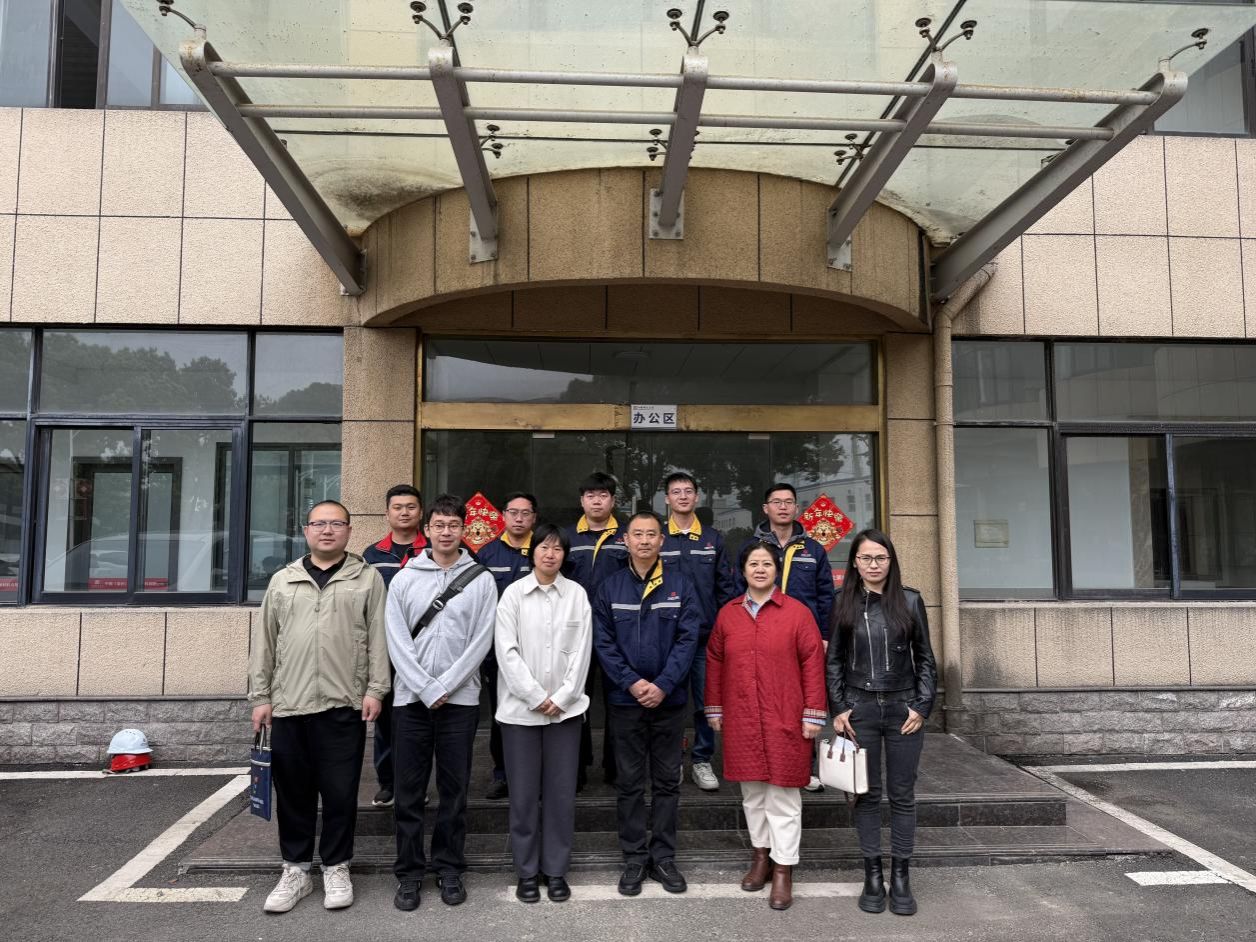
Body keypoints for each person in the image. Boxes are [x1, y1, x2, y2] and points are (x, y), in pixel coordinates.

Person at [248, 500, 389, 915]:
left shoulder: (366, 578)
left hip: (343, 703)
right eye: (319, 524)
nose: (327, 530)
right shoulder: (283, 580)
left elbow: (379, 637)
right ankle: (295, 871)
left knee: (341, 792)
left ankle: (336, 867)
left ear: (349, 531)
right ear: (306, 530)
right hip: (289, 704)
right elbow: (265, 642)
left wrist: (376, 689)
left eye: (336, 524)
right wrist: (261, 696)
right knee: (294, 793)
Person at [386, 494, 497, 912]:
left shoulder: (481, 580)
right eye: (439, 525)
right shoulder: (404, 578)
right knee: (409, 791)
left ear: (463, 530)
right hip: (410, 701)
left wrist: (446, 685)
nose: (446, 532)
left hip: (460, 700)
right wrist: (425, 687)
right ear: (426, 530)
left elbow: (481, 641)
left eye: (453, 525)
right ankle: (409, 873)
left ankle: (449, 867)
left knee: (454, 790)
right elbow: (396, 640)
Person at [704, 541, 826, 911]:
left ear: (777, 570)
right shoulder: (728, 614)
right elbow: (714, 660)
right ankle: (761, 857)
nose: (760, 570)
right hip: (741, 715)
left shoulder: (797, 613)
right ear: (742, 571)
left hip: (784, 714)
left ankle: (784, 868)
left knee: (783, 796)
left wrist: (813, 713)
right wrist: (714, 708)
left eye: (767, 564)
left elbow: (812, 662)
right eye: (753, 564)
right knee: (753, 794)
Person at [826, 528, 937, 917]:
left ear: (890, 561)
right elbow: (834, 660)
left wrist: (922, 706)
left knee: (902, 794)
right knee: (867, 794)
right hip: (860, 709)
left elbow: (925, 658)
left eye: (880, 557)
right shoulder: (842, 601)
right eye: (866, 558)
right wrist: (839, 708)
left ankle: (901, 877)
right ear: (855, 562)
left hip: (903, 707)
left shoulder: (910, 600)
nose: (873, 564)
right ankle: (873, 875)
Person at [593, 510, 701, 897]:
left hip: (669, 702)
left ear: (661, 540)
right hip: (625, 701)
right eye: (637, 534)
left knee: (668, 782)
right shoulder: (609, 588)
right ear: (625, 540)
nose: (643, 540)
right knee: (630, 782)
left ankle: (664, 856)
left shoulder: (681, 585)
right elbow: (603, 643)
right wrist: (633, 683)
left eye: (651, 534)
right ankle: (634, 857)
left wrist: (663, 685)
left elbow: (688, 640)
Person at [493, 523, 592, 904]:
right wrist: (535, 696)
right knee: (522, 796)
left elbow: (583, 651)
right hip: (521, 713)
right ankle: (526, 871)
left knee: (560, 795)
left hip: (565, 714)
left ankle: (556, 870)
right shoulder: (513, 595)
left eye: (558, 549)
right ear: (532, 552)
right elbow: (506, 651)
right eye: (544, 548)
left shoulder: (576, 595)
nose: (550, 554)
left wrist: (563, 697)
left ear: (565, 555)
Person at [747, 482, 837, 791]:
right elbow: (738, 590)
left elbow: (825, 596)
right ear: (766, 508)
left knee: (804, 704)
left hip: (803, 639)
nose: (783, 507)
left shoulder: (813, 549)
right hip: (761, 635)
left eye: (789, 502)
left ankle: (804, 768)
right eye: (777, 502)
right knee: (764, 702)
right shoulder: (753, 547)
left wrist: (824, 635)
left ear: (797, 508)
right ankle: (764, 763)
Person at [659, 472, 736, 791]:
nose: (682, 496)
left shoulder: (712, 539)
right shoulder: (657, 537)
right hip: (666, 639)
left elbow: (726, 589)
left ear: (697, 496)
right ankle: (673, 759)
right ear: (667, 499)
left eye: (688, 491)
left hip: (705, 639)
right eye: (676, 492)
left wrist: (724, 631)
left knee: (707, 702)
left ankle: (702, 759)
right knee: (669, 700)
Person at [563, 471, 629, 788]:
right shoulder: (568, 538)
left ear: (613, 501)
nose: (597, 501)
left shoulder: (627, 537)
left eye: (603, 495)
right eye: (590, 495)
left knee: (618, 700)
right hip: (575, 631)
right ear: (582, 500)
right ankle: (577, 767)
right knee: (575, 696)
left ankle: (615, 768)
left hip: (617, 631)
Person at [363, 484, 426, 809]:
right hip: (385, 649)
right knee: (386, 720)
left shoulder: (432, 549)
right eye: (398, 507)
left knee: (419, 721)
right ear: (387, 513)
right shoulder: (373, 554)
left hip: (423, 649)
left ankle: (417, 784)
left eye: (411, 507)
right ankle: (387, 782)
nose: (404, 512)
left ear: (420, 512)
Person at [474, 491, 538, 801]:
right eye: (513, 512)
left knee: (535, 712)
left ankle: (534, 775)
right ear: (503, 516)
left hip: (536, 650)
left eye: (525, 513)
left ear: (534, 518)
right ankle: (502, 774)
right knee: (502, 715)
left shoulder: (542, 550)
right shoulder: (487, 554)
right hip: (496, 652)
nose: (519, 518)